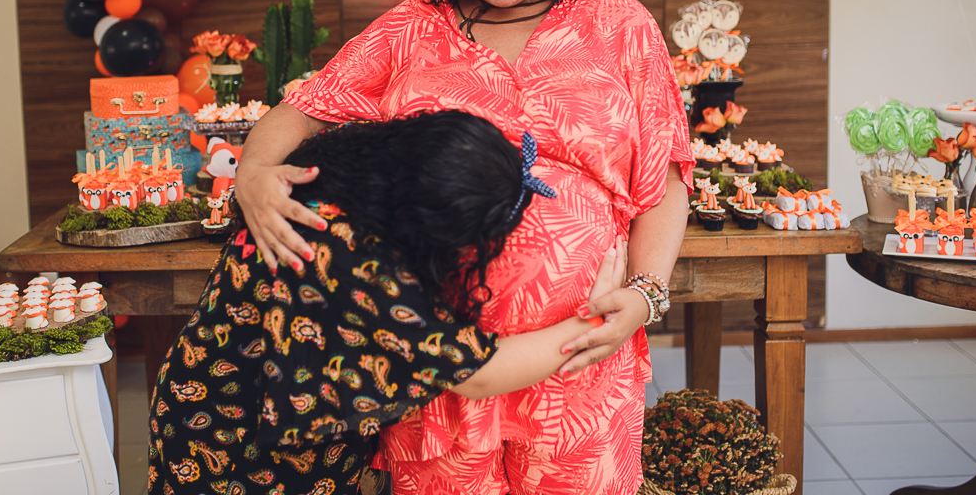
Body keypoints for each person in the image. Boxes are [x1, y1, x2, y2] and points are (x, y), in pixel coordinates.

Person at [236, 0, 694, 495]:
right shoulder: (412, 27)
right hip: (439, 362)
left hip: (581, 356)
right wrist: (253, 176)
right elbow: (301, 111)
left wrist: (646, 297)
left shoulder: (619, 23)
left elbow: (665, 178)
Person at [147, 111, 626, 495]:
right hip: (240, 445)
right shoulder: (344, 257)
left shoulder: (341, 162)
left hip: (219, 401)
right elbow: (481, 373)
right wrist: (595, 320)